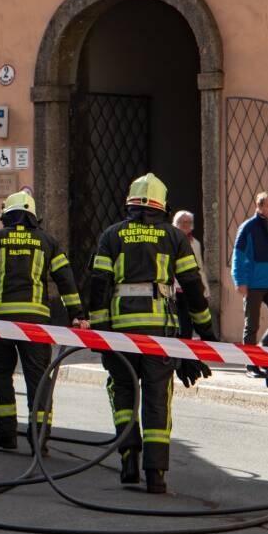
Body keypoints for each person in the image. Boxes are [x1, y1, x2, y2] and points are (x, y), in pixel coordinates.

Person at [88, 173, 215, 494]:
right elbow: (192, 287)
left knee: (123, 392)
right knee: (158, 398)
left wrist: (100, 332)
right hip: (161, 333)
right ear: (162, 205)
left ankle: (129, 456)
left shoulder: (111, 235)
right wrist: (206, 335)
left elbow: (99, 284)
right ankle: (156, 472)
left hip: (120, 332)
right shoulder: (174, 237)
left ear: (129, 202)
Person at [0, 190, 85, 454]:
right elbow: (65, 280)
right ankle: (39, 440)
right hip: (36, 322)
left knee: (1, 375)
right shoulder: (48, 242)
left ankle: (6, 436)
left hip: (0, 321)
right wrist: (78, 314)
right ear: (32, 216)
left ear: (7, 215)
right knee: (39, 379)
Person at [231, 190, 268, 377]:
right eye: (267, 206)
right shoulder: (248, 227)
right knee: (251, 326)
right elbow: (238, 256)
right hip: (253, 283)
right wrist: (240, 280)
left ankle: (261, 352)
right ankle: (251, 366)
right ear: (259, 206)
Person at [171, 210, 210, 339]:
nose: (186, 225)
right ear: (176, 223)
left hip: (193, 287)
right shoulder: (172, 240)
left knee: (196, 320)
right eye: (183, 222)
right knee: (184, 322)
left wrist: (205, 287)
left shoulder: (195, 243)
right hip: (177, 288)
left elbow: (199, 267)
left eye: (188, 222)